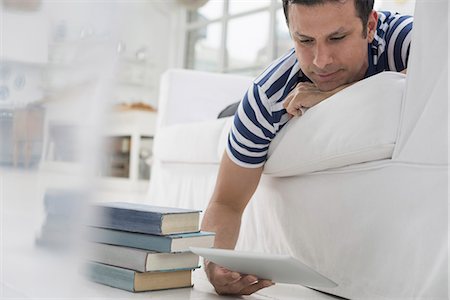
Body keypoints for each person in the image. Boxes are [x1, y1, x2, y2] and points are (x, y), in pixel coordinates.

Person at [201, 0, 413, 296]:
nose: (321, 60)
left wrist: (335, 96)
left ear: (370, 26)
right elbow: (226, 202)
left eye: (337, 38)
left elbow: (439, 75)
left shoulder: (401, 37)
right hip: (243, 109)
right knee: (230, 114)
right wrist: (213, 264)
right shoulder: (265, 98)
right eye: (305, 40)